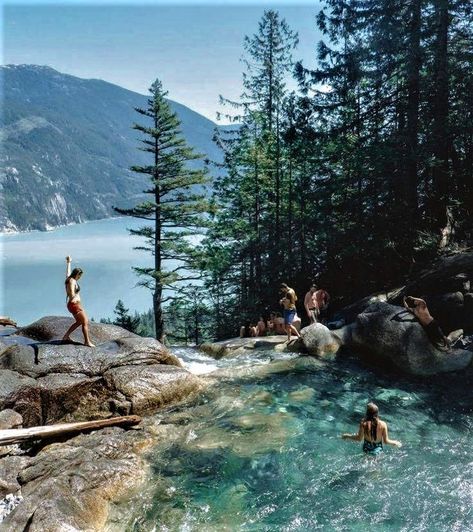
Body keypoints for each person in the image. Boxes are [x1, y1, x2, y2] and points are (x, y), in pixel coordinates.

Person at [62, 256, 95, 347]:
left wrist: (69, 262)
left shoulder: (69, 279)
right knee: (85, 321)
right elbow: (72, 292)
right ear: (77, 274)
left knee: (79, 322)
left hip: (73, 304)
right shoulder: (72, 281)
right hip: (74, 304)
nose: (80, 277)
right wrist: (73, 295)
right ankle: (87, 342)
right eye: (80, 275)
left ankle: (66, 336)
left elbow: (67, 273)